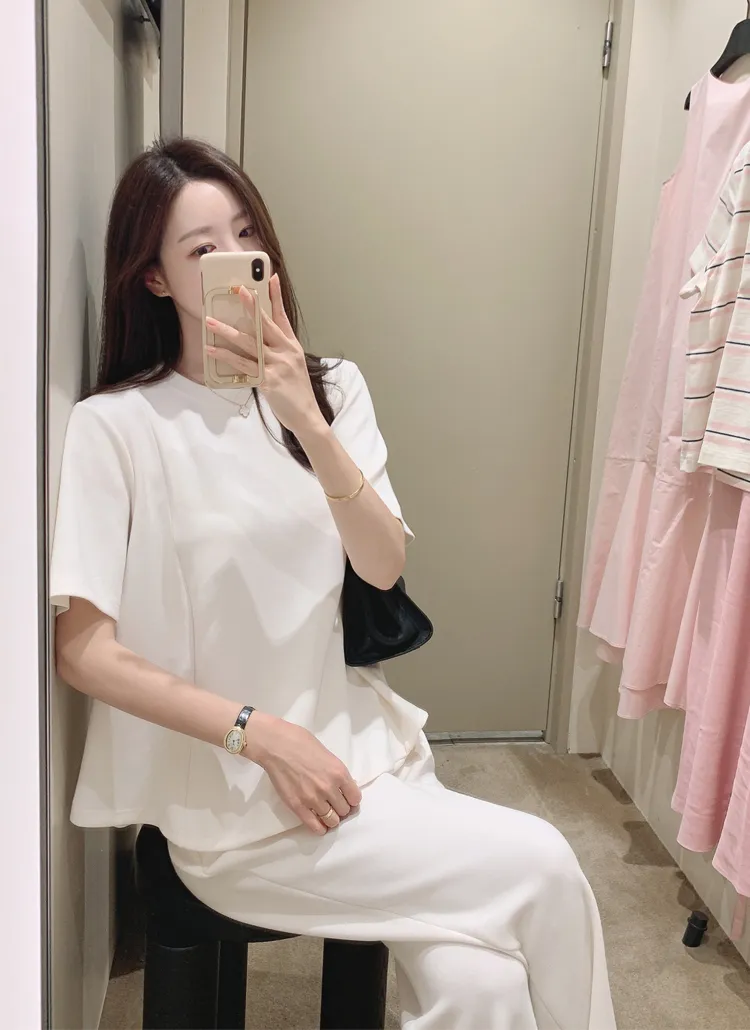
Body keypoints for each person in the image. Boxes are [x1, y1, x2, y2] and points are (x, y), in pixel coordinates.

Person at [51, 137, 616, 1030]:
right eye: (203, 248)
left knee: (484, 989)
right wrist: (258, 733)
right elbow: (83, 653)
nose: (238, 257)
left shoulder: (334, 390)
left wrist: (306, 421)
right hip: (238, 814)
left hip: (373, 760)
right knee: (545, 864)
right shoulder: (117, 426)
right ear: (155, 278)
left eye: (247, 234)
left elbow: (383, 565)